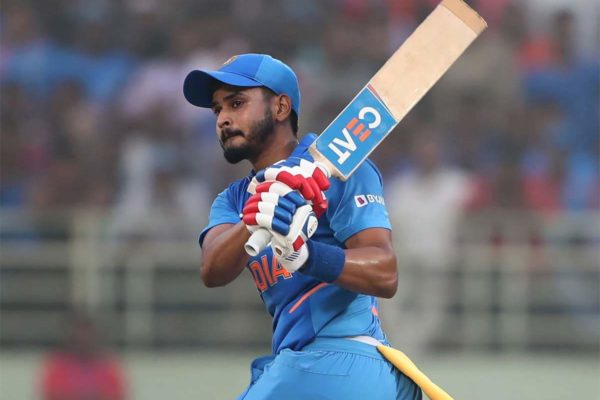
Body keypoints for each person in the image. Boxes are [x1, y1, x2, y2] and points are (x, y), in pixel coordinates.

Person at [183, 54, 422, 399]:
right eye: (217, 110)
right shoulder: (233, 200)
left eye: (236, 103)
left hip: (344, 355)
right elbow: (212, 270)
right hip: (298, 364)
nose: (223, 119)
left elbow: (385, 273)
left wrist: (306, 256)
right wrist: (255, 217)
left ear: (281, 107)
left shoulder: (339, 169)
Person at [39, 312, 127, 400]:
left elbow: (115, 395)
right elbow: (52, 394)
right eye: (79, 334)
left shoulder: (106, 365)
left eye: (87, 334)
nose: (83, 339)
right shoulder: (59, 364)